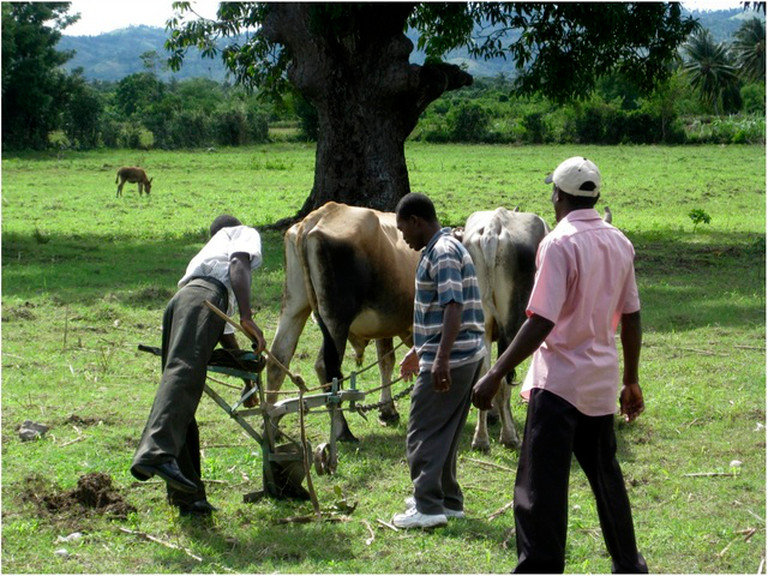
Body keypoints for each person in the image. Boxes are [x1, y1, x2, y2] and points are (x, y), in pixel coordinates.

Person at [472, 156, 647, 573]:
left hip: (559, 387)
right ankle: (629, 565)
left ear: (558, 195)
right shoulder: (620, 242)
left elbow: (542, 321)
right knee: (607, 480)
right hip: (600, 386)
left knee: (540, 491)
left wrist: (496, 373)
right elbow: (633, 315)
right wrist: (631, 380)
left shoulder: (558, 243)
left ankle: (539, 569)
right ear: (595, 195)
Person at [130, 214, 267, 517]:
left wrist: (247, 380)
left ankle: (188, 497)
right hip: (203, 299)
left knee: (181, 390)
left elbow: (226, 337)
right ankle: (155, 452)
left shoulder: (206, 259)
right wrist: (247, 315)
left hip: (181, 303)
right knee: (184, 375)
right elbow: (239, 265)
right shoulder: (240, 233)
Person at [392, 193, 486, 529]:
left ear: (417, 221)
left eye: (404, 231)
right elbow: (440, 309)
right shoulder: (442, 248)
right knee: (445, 431)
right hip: (459, 353)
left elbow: (453, 306)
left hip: (454, 357)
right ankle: (447, 499)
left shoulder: (443, 252)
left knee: (422, 430)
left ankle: (427, 507)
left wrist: (441, 359)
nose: (404, 239)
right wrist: (420, 349)